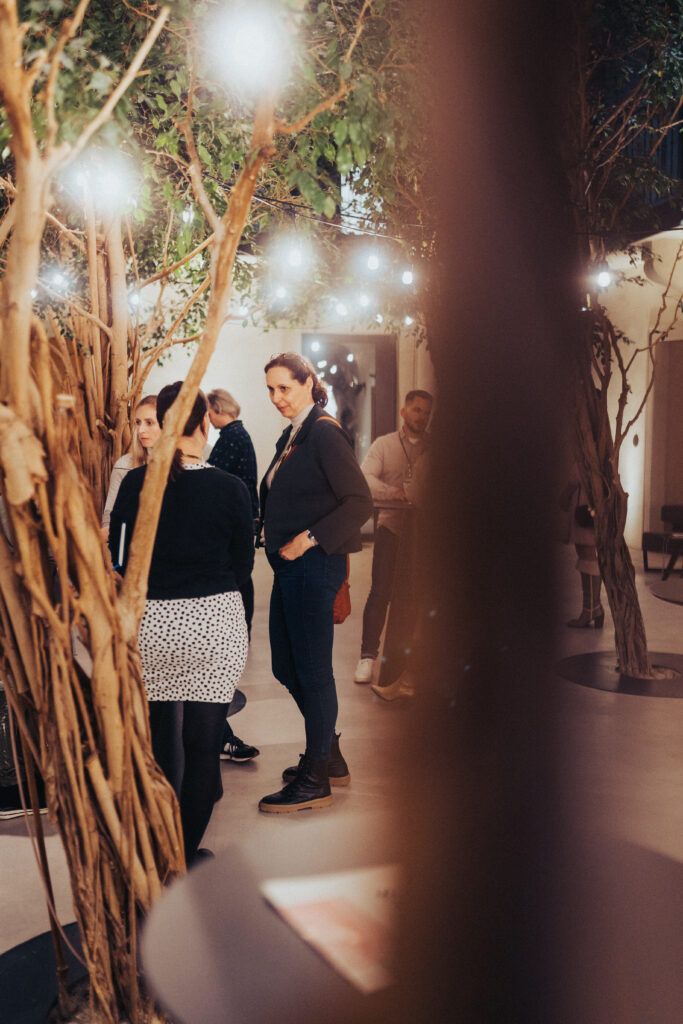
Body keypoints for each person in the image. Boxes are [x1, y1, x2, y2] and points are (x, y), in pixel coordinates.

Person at [108, 382, 254, 864]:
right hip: (213, 624)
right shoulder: (230, 488)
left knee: (158, 745)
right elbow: (242, 566)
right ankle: (184, 856)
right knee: (203, 746)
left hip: (152, 625)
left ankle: (154, 854)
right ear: (204, 422)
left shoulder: (136, 483)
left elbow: (120, 558)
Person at [258, 352, 372, 813]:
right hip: (291, 569)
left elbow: (359, 502)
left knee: (312, 670)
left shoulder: (323, 432)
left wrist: (307, 540)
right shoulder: (295, 434)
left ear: (308, 382)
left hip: (313, 566)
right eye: (270, 389)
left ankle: (317, 776)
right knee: (286, 665)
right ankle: (329, 754)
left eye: (284, 387)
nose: (276, 397)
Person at [354, 389, 433, 684]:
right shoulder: (384, 445)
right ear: (404, 412)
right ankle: (367, 657)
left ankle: (408, 664)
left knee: (415, 598)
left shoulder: (435, 448)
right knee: (380, 592)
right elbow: (365, 477)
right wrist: (393, 493)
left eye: (426, 412)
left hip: (423, 536)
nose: (421, 417)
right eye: (417, 410)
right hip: (391, 530)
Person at [206, 388, 260, 763]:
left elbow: (216, 474)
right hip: (243, 514)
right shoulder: (239, 434)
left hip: (236, 518)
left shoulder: (231, 437)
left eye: (209, 413)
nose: (207, 421)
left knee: (242, 579)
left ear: (218, 410)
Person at [102, 395, 161, 531]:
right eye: (138, 422)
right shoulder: (124, 465)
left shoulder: (183, 466)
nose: (141, 430)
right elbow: (109, 517)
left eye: (149, 423)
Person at [559, 473, 604, 628]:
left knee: (587, 555)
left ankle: (591, 610)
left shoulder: (587, 459)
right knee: (586, 555)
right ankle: (593, 608)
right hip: (586, 506)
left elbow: (577, 476)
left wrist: (565, 493)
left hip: (586, 507)